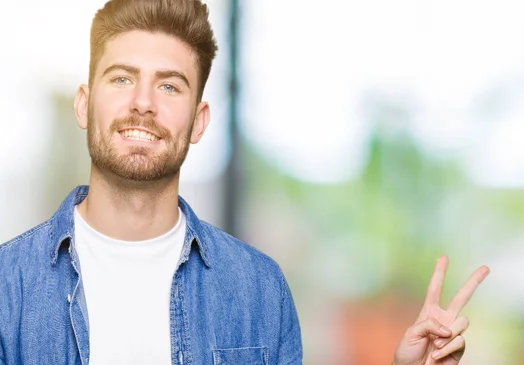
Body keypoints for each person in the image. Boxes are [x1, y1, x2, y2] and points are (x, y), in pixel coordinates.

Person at [0, 0, 490, 364]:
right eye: (122, 79)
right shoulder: (8, 286)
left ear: (199, 121)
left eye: (170, 85)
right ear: (84, 103)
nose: (143, 103)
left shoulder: (258, 288)